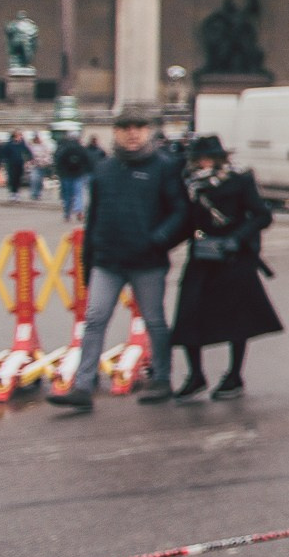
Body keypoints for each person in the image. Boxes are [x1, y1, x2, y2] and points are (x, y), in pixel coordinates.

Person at [47, 106, 188, 414]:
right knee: (95, 319)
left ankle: (162, 378)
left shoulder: (163, 167)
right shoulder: (104, 169)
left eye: (138, 127)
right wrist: (89, 260)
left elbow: (181, 212)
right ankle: (83, 385)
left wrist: (159, 240)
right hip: (108, 260)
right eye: (126, 127)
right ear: (116, 132)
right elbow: (93, 219)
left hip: (147, 260)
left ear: (147, 131)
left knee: (154, 320)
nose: (132, 133)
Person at [168, 135, 281, 400]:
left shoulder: (239, 179)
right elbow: (185, 220)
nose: (204, 162)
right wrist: (163, 242)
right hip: (201, 257)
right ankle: (195, 375)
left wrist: (237, 238)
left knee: (237, 320)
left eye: (209, 157)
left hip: (233, 258)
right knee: (188, 315)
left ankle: (234, 376)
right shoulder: (188, 183)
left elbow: (262, 215)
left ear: (221, 158)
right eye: (198, 158)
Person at [54, 130, 93, 221]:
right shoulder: (81, 148)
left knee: (68, 195)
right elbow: (87, 161)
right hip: (78, 174)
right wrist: (85, 171)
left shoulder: (64, 148)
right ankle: (79, 211)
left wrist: (60, 172)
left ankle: (67, 213)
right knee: (78, 193)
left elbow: (59, 161)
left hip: (66, 175)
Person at [2, 130, 30, 201]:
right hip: (11, 164)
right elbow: (4, 154)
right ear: (15, 136)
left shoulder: (22, 144)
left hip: (20, 164)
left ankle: (17, 193)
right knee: (12, 178)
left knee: (18, 178)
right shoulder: (9, 144)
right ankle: (12, 193)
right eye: (19, 136)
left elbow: (28, 151)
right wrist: (5, 161)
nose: (21, 137)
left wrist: (28, 160)